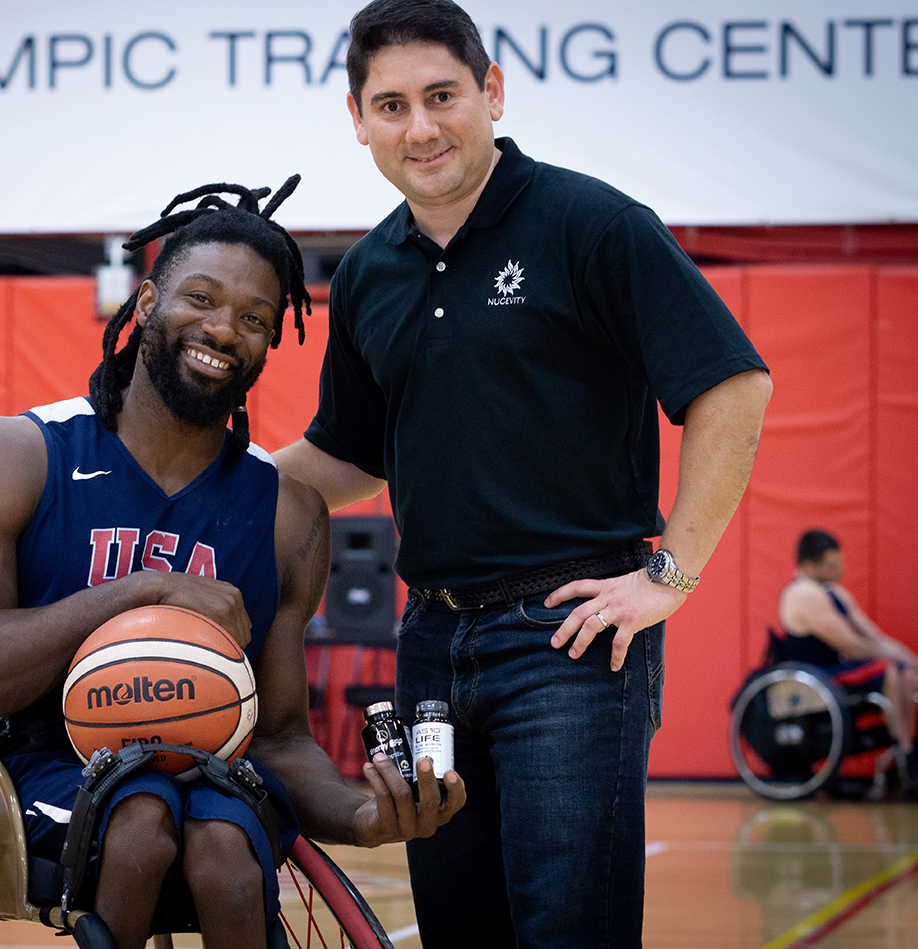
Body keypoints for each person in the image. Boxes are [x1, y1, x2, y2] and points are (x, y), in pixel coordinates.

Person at [271, 2, 773, 946]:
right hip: (430, 643)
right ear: (357, 119)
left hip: (569, 644)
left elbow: (733, 387)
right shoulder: (373, 270)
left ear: (492, 92)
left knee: (567, 931)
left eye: (441, 96)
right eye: (391, 105)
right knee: (463, 930)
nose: (419, 127)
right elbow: (347, 457)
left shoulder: (592, 223)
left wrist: (671, 575)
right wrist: (214, 480)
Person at [0, 178, 464, 949]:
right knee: (140, 821)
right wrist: (143, 593)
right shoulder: (16, 456)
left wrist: (366, 815)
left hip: (204, 776)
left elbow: (279, 739)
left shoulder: (287, 514)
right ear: (145, 304)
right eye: (200, 298)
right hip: (31, 766)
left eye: (255, 318)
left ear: (271, 342)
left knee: (228, 853)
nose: (224, 328)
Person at [777, 528, 918, 776]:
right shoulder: (802, 593)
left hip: (838, 669)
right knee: (891, 671)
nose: (840, 571)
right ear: (808, 566)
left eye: (838, 563)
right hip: (819, 675)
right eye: (831, 566)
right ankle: (904, 754)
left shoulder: (835, 593)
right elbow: (850, 646)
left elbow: (877, 639)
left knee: (912, 677)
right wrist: (892, 657)